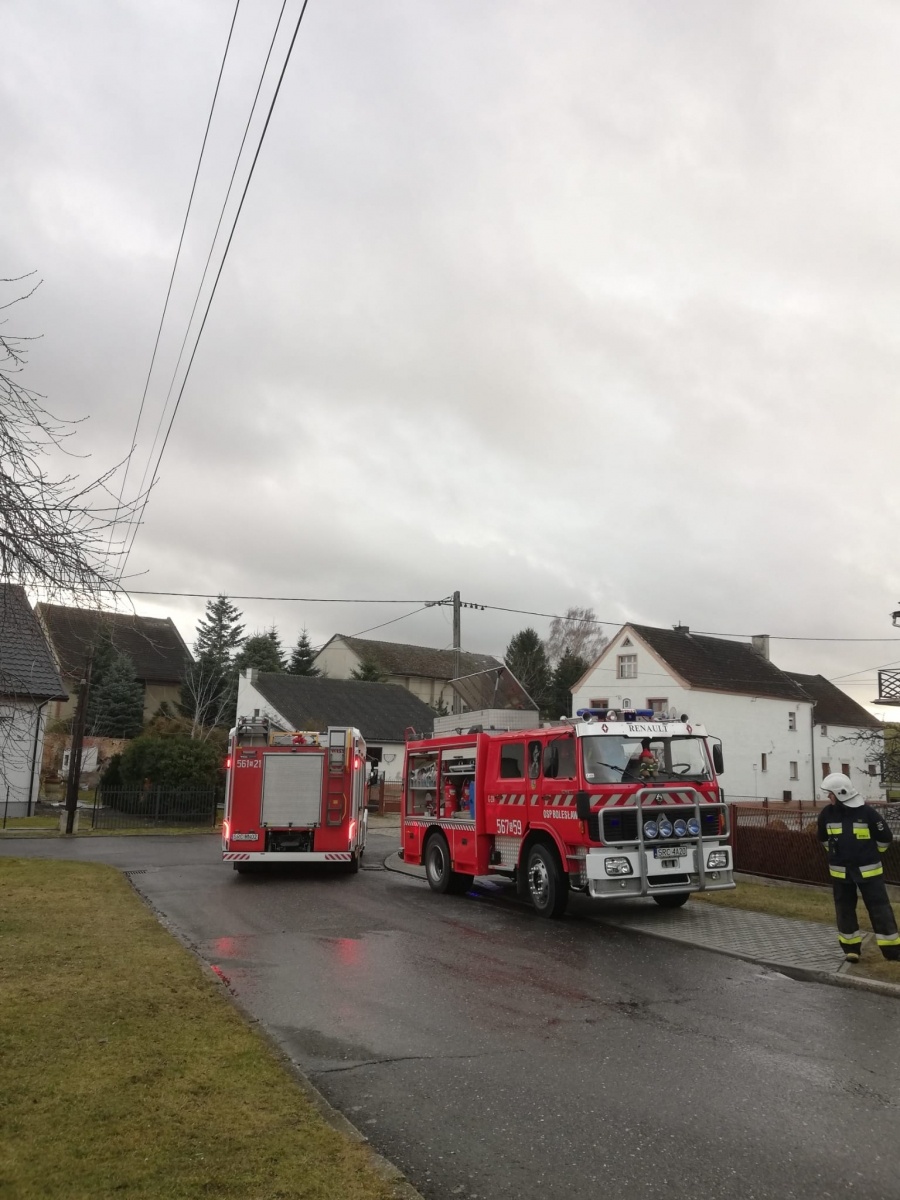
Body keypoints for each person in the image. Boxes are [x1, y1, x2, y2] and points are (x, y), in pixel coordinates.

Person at [816, 773, 900, 963]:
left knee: (880, 909)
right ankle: (851, 949)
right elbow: (823, 839)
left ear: (840, 793)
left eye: (830, 794)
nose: (828, 797)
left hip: (869, 872)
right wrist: (838, 856)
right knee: (844, 910)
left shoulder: (867, 813)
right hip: (840, 873)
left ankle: (892, 951)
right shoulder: (826, 814)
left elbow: (885, 839)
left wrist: (868, 855)